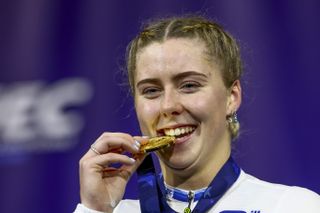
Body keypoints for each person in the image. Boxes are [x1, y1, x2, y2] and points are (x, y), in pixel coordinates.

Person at [74, 16, 320, 213]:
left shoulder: (293, 206)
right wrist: (94, 210)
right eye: (151, 90)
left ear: (231, 97)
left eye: (189, 85)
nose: (168, 105)